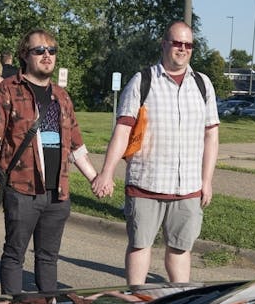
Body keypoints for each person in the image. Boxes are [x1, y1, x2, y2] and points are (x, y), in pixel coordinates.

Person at [92, 22, 219, 286]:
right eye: (177, 43)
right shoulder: (143, 81)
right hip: (146, 183)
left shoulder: (203, 84)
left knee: (181, 248)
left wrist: (206, 182)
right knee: (140, 245)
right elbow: (123, 130)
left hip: (188, 188)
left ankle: (178, 301)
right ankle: (137, 301)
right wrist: (107, 173)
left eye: (188, 45)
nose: (182, 49)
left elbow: (211, 136)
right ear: (164, 44)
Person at [0, 29, 99, 296]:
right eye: (39, 50)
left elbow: (76, 145)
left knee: (48, 257)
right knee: (14, 254)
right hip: (22, 189)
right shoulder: (8, 90)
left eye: (51, 51)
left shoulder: (62, 97)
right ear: (24, 55)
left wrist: (94, 178)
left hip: (57, 192)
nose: (47, 56)